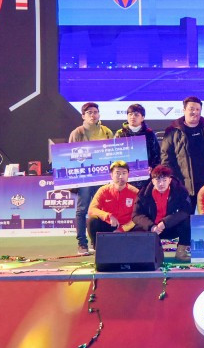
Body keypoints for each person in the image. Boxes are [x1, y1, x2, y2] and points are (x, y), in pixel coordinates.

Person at [69, 102, 114, 255]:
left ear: (99, 114)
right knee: (82, 210)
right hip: (84, 178)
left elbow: (113, 153)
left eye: (95, 112)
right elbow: (70, 157)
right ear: (83, 116)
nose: (93, 115)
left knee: (102, 210)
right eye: (89, 112)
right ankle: (82, 243)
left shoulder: (106, 131)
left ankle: (97, 243)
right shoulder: (77, 133)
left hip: (103, 176)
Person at [161, 96, 204, 212]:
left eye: (197, 109)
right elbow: (166, 157)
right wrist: (174, 180)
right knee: (185, 216)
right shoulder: (172, 131)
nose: (195, 112)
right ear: (184, 110)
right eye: (191, 109)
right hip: (183, 184)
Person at [132, 164, 192, 262]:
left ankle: (181, 252)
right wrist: (151, 226)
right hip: (152, 229)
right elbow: (136, 215)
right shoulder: (143, 193)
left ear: (170, 180)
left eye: (164, 180)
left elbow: (186, 210)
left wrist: (165, 223)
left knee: (187, 221)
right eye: (158, 180)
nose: (161, 184)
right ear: (152, 181)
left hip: (171, 227)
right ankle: (145, 253)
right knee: (135, 229)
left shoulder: (180, 190)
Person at [86, 161, 139, 250]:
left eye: (124, 173)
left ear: (128, 175)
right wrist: (108, 216)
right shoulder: (103, 190)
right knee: (92, 221)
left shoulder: (135, 192)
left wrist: (122, 229)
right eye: (117, 173)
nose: (121, 176)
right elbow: (92, 210)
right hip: (109, 225)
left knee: (141, 225)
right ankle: (98, 249)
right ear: (111, 175)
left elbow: (138, 216)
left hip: (127, 227)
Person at [114, 103, 161, 190]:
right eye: (130, 114)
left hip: (146, 177)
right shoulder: (120, 134)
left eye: (136, 115)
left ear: (142, 118)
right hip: (124, 177)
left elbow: (156, 154)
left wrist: (152, 167)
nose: (133, 117)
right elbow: (115, 155)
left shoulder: (149, 134)